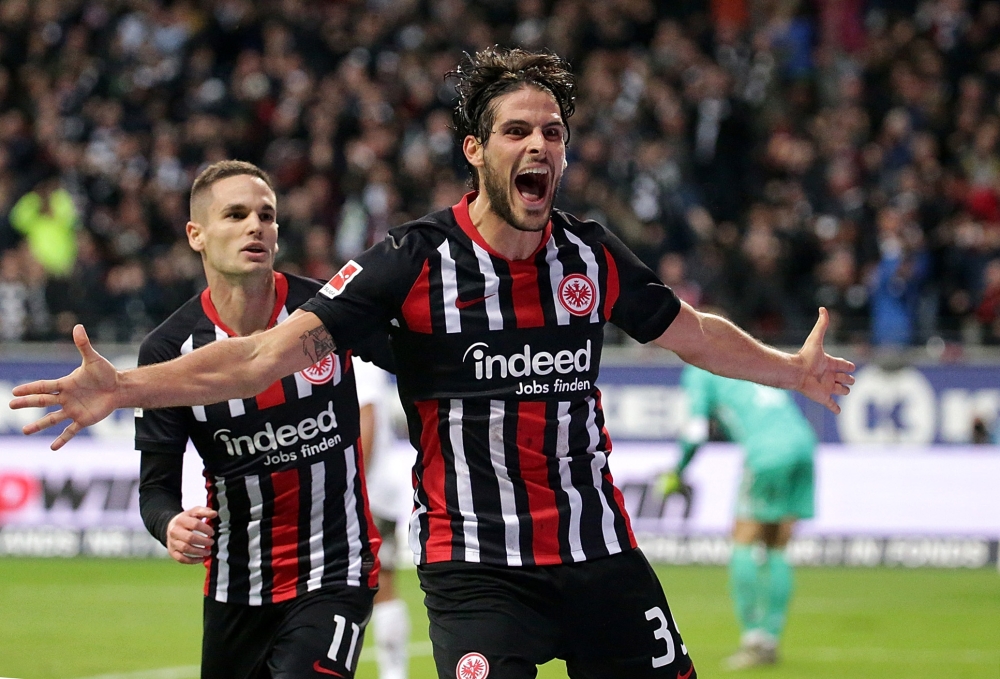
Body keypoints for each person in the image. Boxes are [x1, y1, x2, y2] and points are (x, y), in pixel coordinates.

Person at [11, 47, 855, 679]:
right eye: (517, 131)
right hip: (477, 570)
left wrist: (792, 370)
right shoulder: (410, 261)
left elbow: (692, 331)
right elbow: (259, 358)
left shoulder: (591, 256)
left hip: (599, 554)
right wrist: (123, 386)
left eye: (553, 132)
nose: (539, 145)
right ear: (475, 150)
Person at [133, 160, 386, 678]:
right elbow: (155, 490)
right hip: (236, 587)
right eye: (236, 214)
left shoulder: (328, 310)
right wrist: (170, 525)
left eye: (266, 216)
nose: (256, 226)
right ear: (196, 235)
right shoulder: (168, 351)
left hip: (335, 571)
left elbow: (421, 363)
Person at [658, 364, 818, 670]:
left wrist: (678, 471)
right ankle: (770, 639)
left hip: (766, 453)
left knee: (744, 541)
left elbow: (695, 431)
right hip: (803, 445)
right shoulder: (740, 356)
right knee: (777, 546)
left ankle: (754, 640)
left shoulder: (700, 370)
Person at [354, 356, 411, 679]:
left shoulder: (356, 361)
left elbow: (368, 417)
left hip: (368, 490)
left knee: (378, 582)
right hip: (377, 489)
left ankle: (394, 673)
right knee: (381, 581)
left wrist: (353, 485)